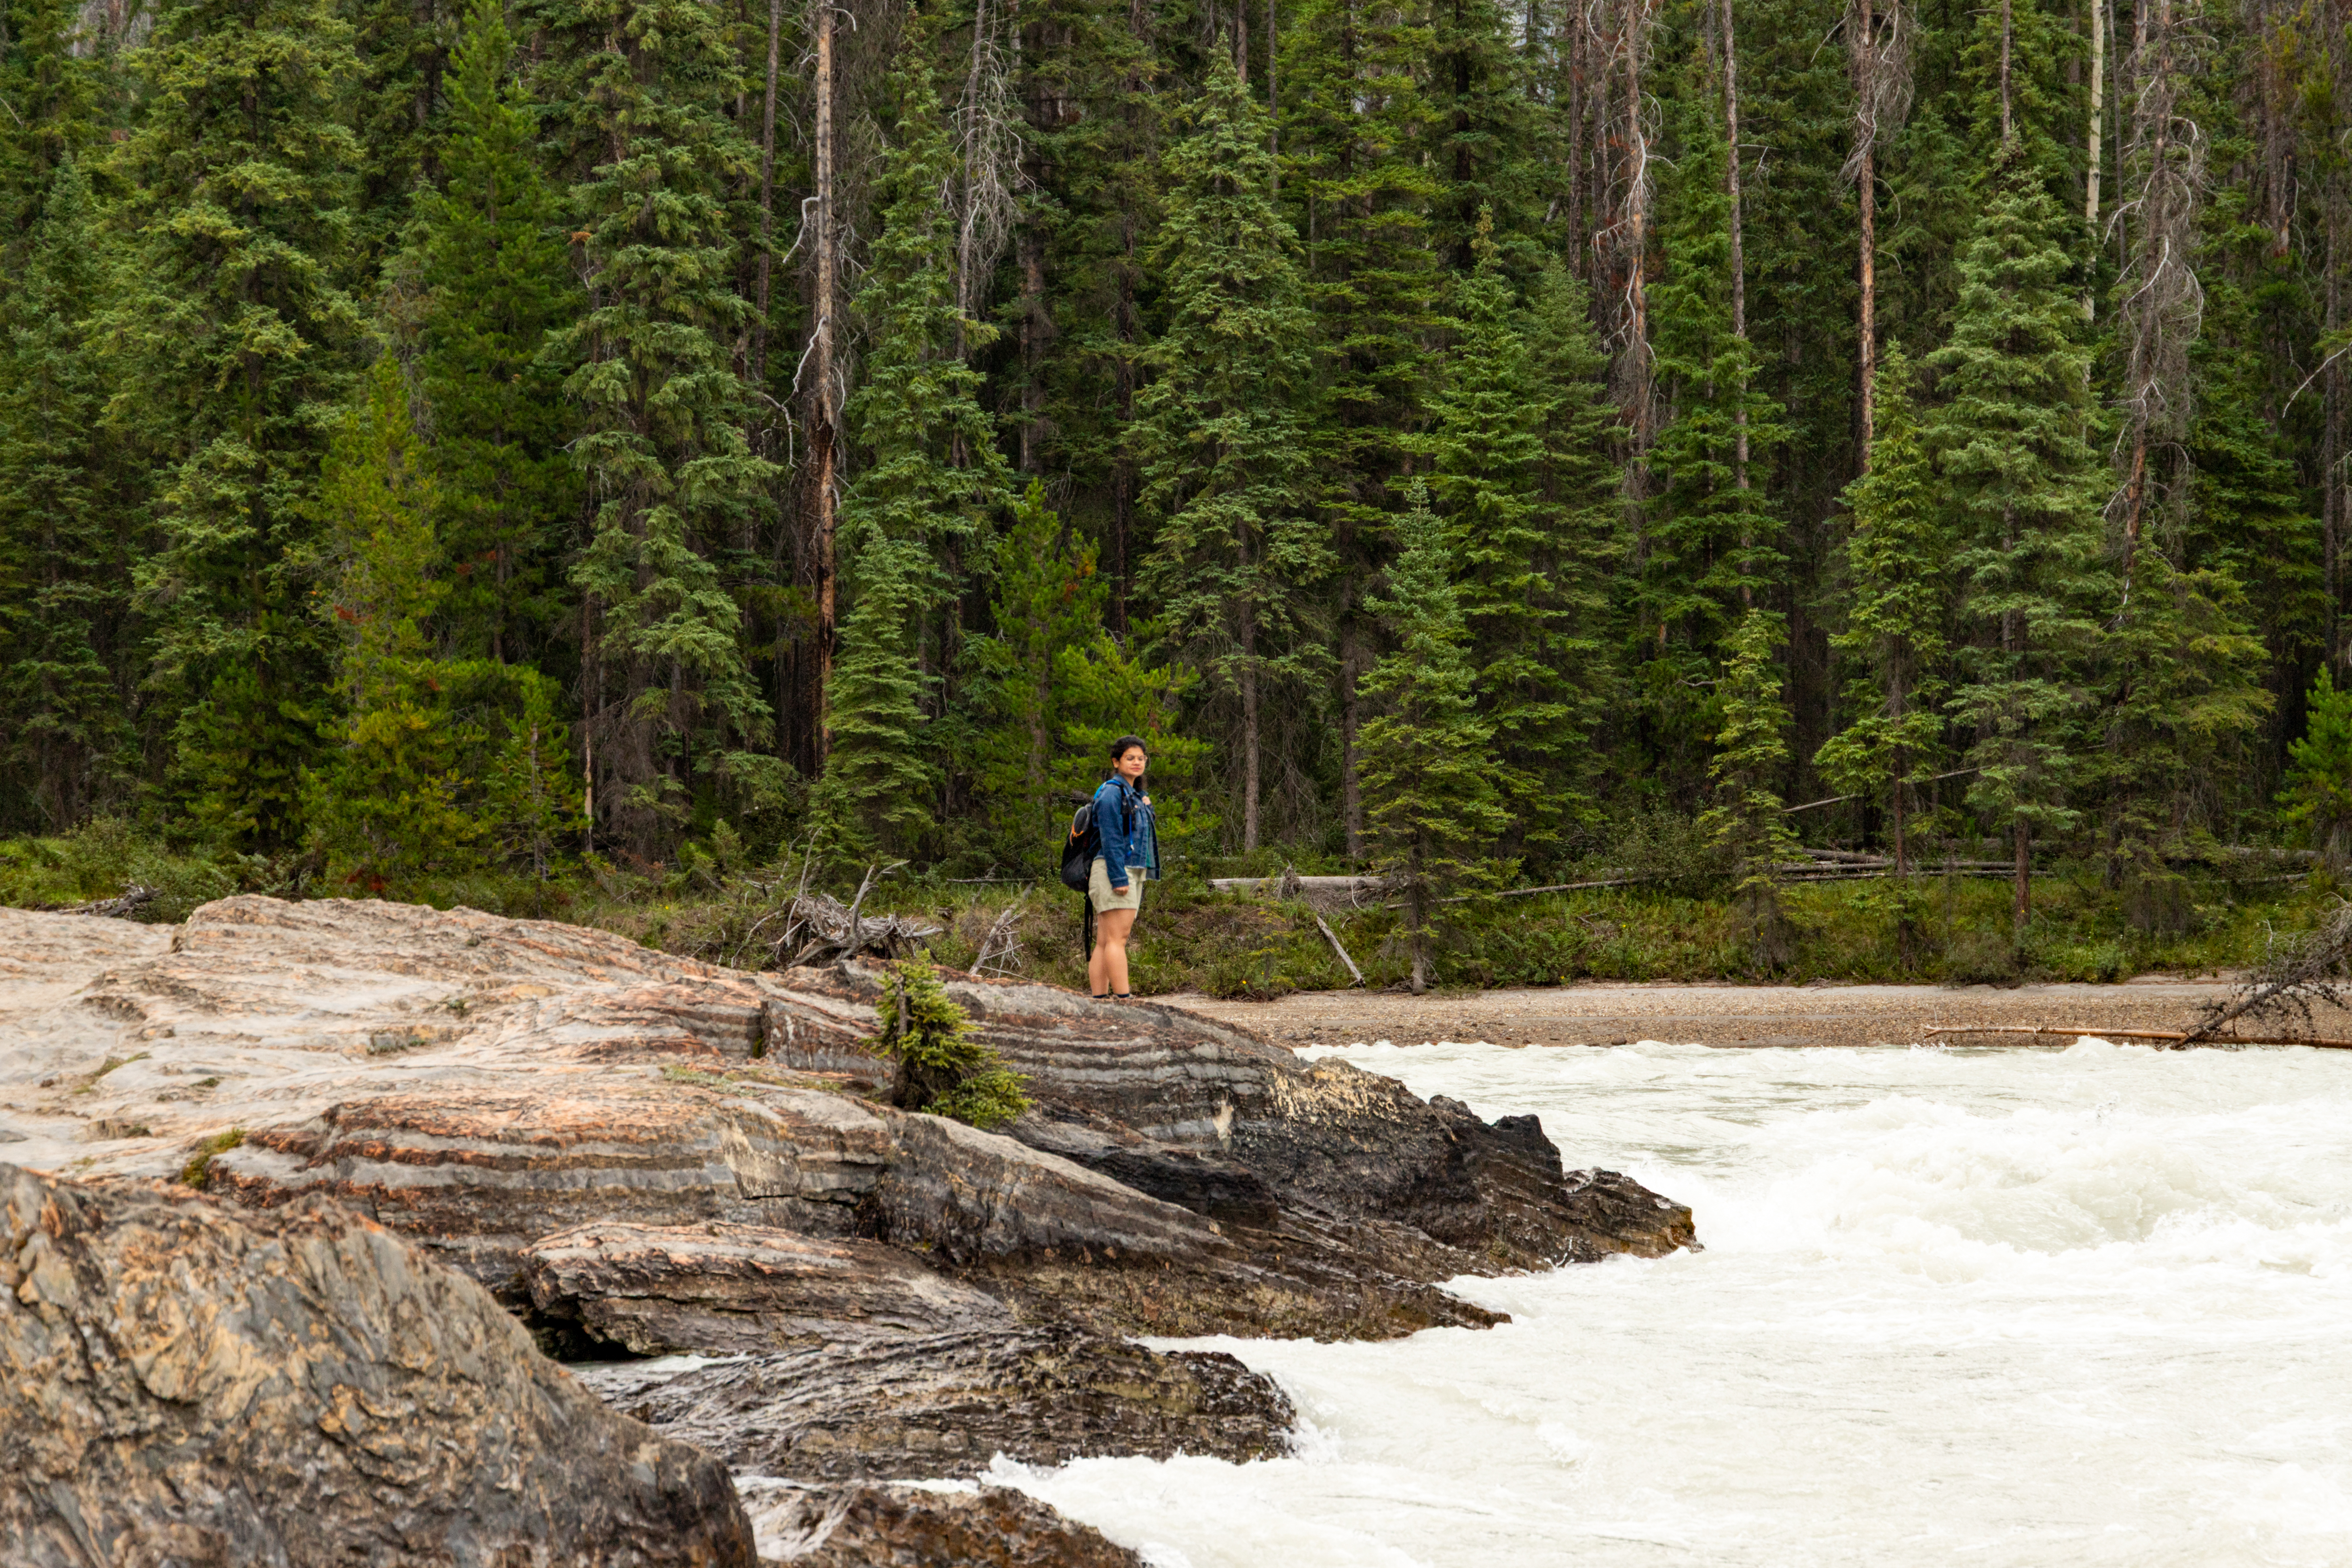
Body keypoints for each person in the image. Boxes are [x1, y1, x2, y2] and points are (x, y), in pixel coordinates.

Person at [1087, 736, 1159, 1000]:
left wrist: (1147, 804)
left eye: (1141, 758)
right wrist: (1118, 877)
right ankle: (1123, 1000)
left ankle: (1100, 1000)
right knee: (1118, 938)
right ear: (1116, 762)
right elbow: (1111, 838)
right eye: (1130, 758)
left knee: (1106, 940)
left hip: (1129, 868)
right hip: (1116, 869)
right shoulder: (1111, 792)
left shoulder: (1135, 794)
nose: (1137, 762)